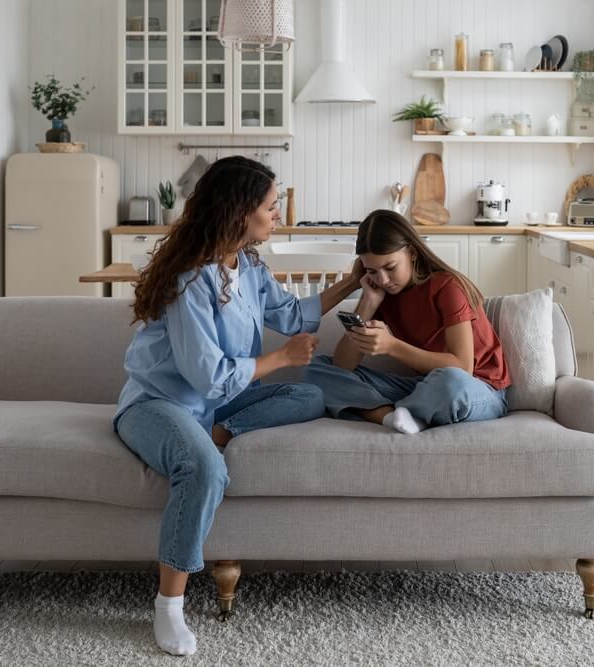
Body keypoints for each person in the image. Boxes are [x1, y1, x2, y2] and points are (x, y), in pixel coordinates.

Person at [114, 156, 362, 656]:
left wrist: (351, 283)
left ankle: (220, 433)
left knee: (311, 391)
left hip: (215, 406)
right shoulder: (190, 279)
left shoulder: (245, 265)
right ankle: (169, 606)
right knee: (204, 471)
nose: (277, 216)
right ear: (240, 211)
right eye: (271, 207)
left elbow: (291, 315)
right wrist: (278, 359)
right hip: (160, 405)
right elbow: (207, 376)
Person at [303, 209, 510, 434]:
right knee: (318, 369)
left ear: (411, 252)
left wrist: (392, 346)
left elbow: (463, 367)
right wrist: (369, 303)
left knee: (451, 381)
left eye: (390, 267)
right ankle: (392, 417)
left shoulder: (448, 287)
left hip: (478, 390)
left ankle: (406, 411)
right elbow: (343, 367)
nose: (383, 280)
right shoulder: (382, 292)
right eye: (372, 271)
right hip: (424, 388)